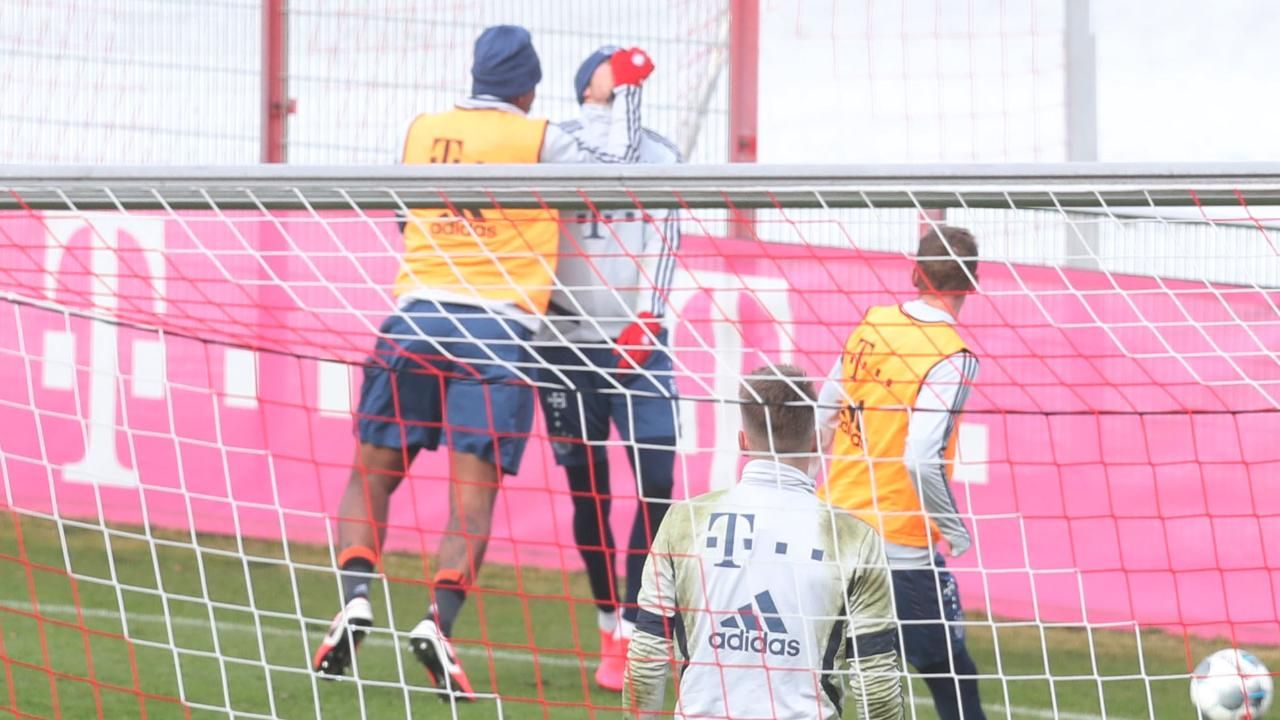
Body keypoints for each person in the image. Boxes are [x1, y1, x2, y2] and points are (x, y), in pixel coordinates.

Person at [311, 25, 656, 699]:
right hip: (497, 329)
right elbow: (616, 177)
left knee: (371, 475)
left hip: (412, 319)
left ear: (475, 79)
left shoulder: (420, 131)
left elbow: (407, 223)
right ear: (527, 87)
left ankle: (354, 597)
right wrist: (606, 98)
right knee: (472, 500)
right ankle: (438, 623)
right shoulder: (542, 139)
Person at [624, 364, 904, 720]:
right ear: (817, 440)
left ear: (742, 441)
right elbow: (876, 681)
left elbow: (647, 655)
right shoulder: (854, 539)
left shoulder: (684, 520)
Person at [534, 45, 683, 693]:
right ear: (582, 86)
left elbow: (669, 234)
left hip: (640, 344)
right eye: (603, 64)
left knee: (657, 480)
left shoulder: (661, 154)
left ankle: (641, 619)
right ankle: (611, 627)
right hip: (563, 345)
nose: (615, 68)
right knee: (587, 491)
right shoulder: (553, 147)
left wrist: (650, 314)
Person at [818, 225, 985, 720]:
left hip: (832, 529)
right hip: (898, 544)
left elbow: (827, 405)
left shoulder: (872, 323)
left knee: (823, 676)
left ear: (914, 273)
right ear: (972, 284)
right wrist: (953, 529)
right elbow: (920, 457)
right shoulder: (952, 357)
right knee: (951, 674)